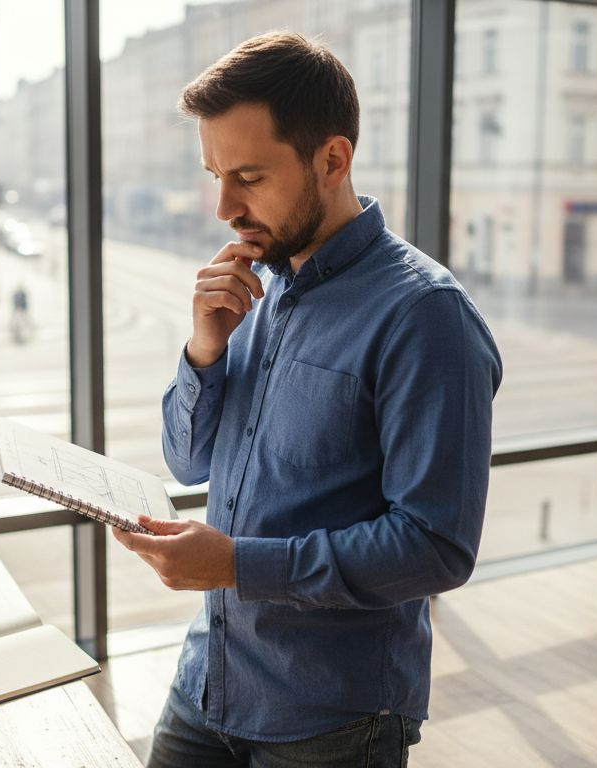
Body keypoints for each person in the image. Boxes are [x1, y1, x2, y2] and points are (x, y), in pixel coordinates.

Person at [111, 33, 502, 767]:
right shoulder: (251, 285)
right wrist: (203, 350)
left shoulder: (425, 315)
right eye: (215, 175)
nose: (225, 206)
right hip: (211, 679)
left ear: (332, 159)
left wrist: (235, 566)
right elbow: (187, 459)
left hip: (332, 717)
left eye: (249, 176)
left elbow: (437, 547)